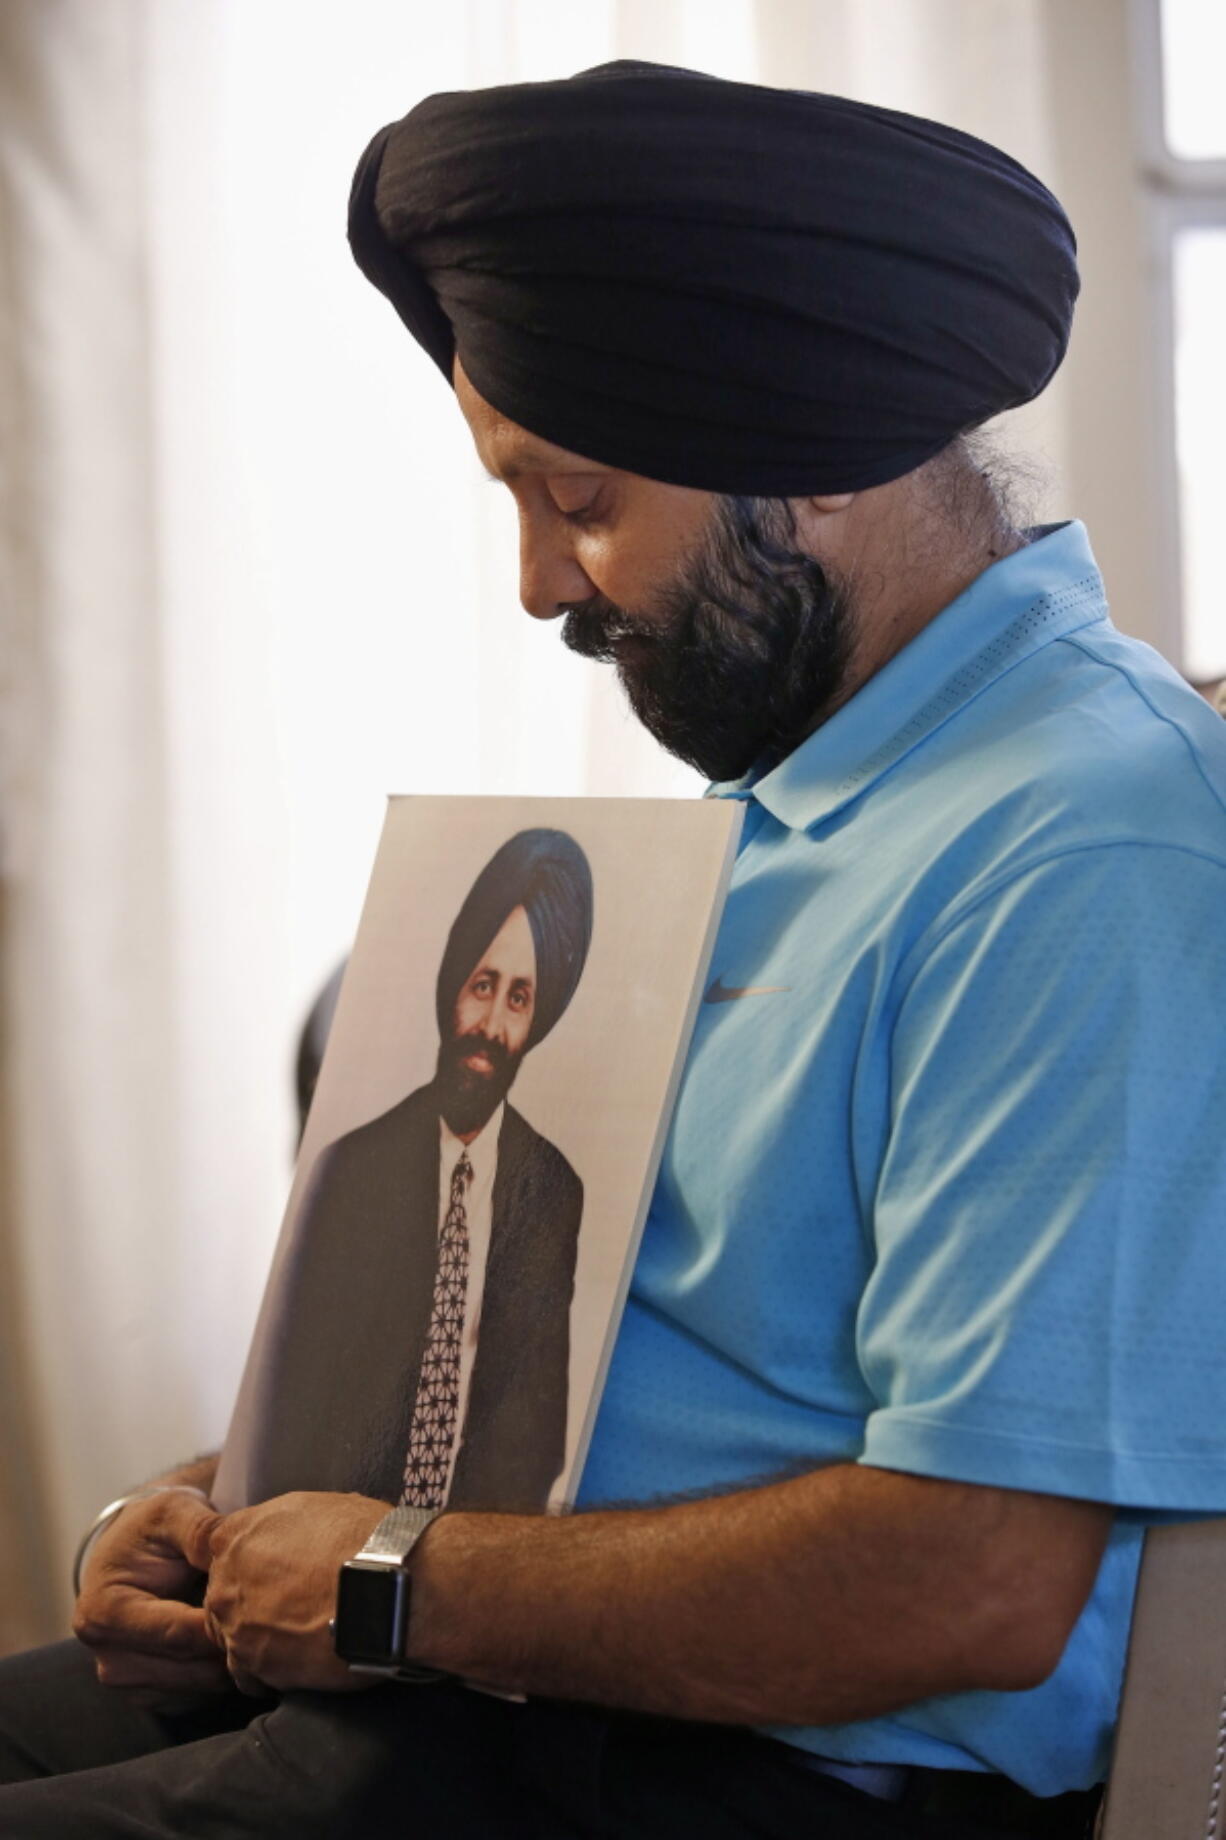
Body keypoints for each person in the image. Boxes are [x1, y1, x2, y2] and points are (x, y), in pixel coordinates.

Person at [2, 59, 1225, 1840]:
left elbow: (970, 1579)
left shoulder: (1075, 844)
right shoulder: (817, 779)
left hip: (744, 1775)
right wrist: (218, 1519)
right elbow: (617, 1386)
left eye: (575, 498)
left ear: (801, 460)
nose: (541, 583)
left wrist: (386, 1586)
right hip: (494, 1686)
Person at [235, 828, 591, 1514]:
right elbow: (293, 1420)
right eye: (482, 985)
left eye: (519, 998)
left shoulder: (552, 1187)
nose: (490, 1023)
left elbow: (535, 1436)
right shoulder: (349, 1170)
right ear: (449, 985)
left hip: (475, 1576)